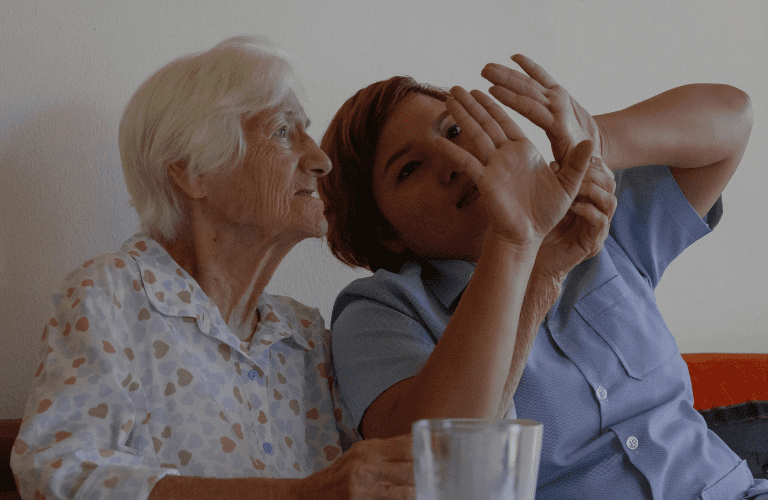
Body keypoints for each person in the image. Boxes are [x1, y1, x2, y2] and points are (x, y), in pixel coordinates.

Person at [318, 54, 768, 499]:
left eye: (454, 131)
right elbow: (433, 468)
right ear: (384, 232)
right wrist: (526, 261)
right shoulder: (379, 310)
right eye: (409, 168)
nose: (452, 159)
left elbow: (733, 117)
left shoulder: (591, 221)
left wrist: (597, 139)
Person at [11, 36, 415, 500]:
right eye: (283, 132)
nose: (321, 161)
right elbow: (57, 475)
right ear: (192, 171)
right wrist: (299, 496)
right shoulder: (112, 296)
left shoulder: (304, 336)